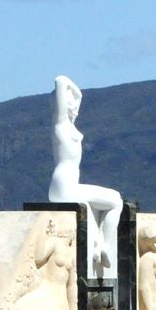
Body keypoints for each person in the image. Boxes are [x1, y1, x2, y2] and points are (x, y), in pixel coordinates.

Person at [47, 75, 123, 279]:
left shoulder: (71, 127)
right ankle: (105, 244)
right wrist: (74, 91)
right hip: (63, 186)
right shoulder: (60, 125)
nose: (74, 106)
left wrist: (77, 96)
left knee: (114, 199)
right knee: (115, 201)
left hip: (71, 184)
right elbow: (61, 81)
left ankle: (100, 244)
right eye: (70, 103)